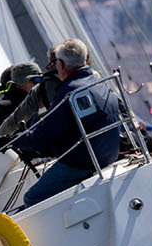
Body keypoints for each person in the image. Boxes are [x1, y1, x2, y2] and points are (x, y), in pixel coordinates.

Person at [8, 39, 122, 207]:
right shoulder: (99, 83)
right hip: (108, 155)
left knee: (32, 198)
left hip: (82, 163)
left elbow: (41, 137)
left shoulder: (69, 91)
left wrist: (11, 140)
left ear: (60, 65)